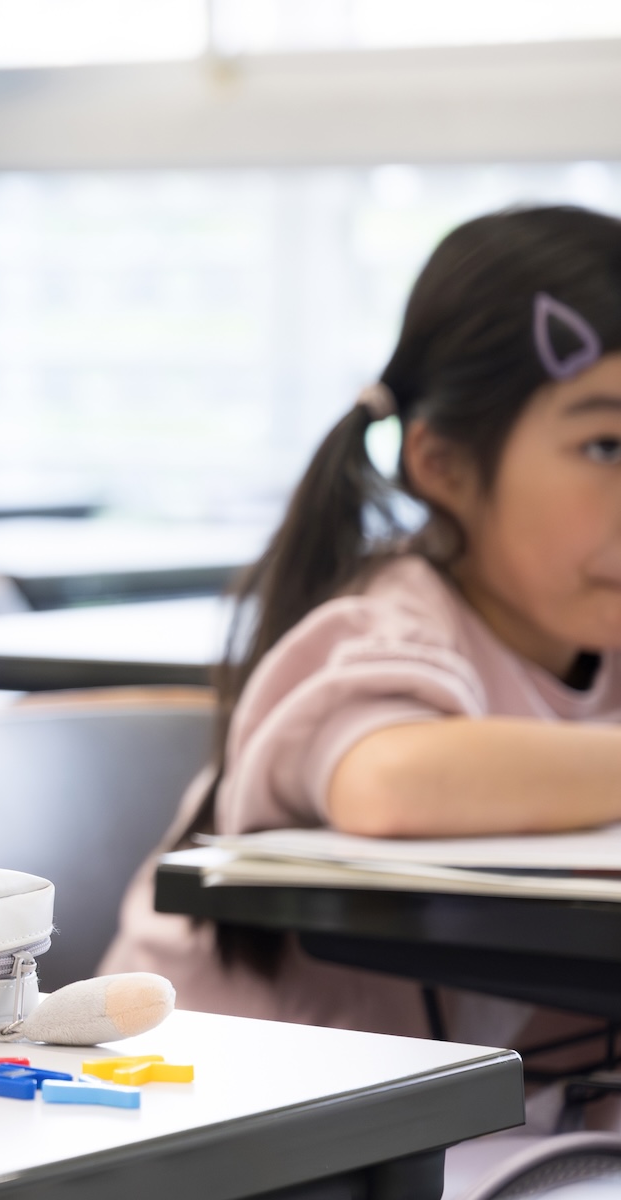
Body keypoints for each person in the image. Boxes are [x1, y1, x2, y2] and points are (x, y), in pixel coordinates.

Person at [103, 206, 621, 1049]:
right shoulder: (389, 625)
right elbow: (389, 783)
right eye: (605, 447)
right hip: (229, 1115)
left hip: (483, 1116)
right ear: (441, 464)